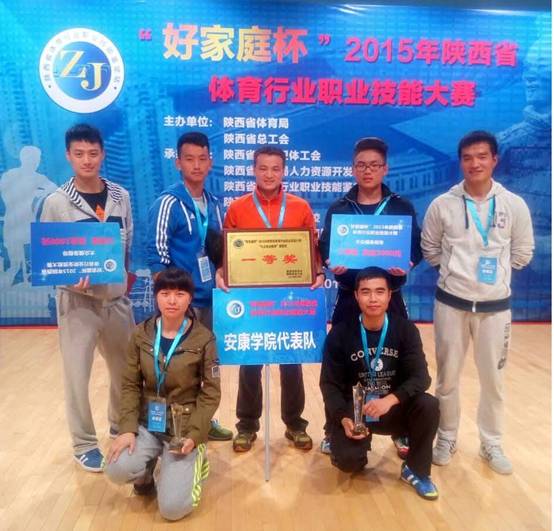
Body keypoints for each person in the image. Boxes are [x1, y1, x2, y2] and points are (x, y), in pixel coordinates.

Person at [421, 130, 534, 475]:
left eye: (482, 156)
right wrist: (457, 274)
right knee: (447, 380)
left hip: (495, 309)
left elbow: (522, 252)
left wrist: (494, 278)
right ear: (460, 162)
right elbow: (430, 249)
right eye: (468, 157)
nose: (475, 163)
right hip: (451, 306)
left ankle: (491, 442)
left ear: (494, 160)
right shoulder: (442, 204)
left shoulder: (514, 205)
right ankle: (446, 437)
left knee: (493, 381)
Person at [216, 146, 324, 452]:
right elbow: (228, 252)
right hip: (251, 298)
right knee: (250, 362)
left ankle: (295, 424)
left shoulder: (300, 207)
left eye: (275, 168)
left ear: (284, 171)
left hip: (289, 297)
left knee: (291, 361)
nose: (269, 174)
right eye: (263, 168)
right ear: (253, 169)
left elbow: (312, 250)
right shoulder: (237, 208)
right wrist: (223, 271)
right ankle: (247, 426)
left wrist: (318, 273)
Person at [319, 136, 422, 457]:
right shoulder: (339, 208)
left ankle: (400, 429)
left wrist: (408, 261)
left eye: (374, 165)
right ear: (353, 169)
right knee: (339, 366)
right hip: (349, 298)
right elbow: (324, 247)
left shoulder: (401, 206)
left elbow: (416, 247)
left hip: (389, 298)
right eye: (361, 165)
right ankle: (335, 426)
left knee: (396, 361)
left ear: (385, 169)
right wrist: (330, 262)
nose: (368, 170)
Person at [40, 124, 135, 471]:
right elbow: (49, 257)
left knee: (125, 372)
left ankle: (119, 425)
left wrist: (119, 279)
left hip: (116, 301)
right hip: (77, 303)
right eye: (79, 154)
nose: (87, 160)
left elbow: (126, 242)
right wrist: (71, 278)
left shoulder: (120, 196)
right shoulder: (56, 202)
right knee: (77, 377)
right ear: (68, 156)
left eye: (93, 153)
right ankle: (83, 443)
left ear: (103, 154)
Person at [105, 268, 220, 521]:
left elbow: (211, 392)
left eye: (180, 294)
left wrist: (195, 435)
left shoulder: (204, 339)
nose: (172, 300)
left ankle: (198, 461)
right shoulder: (141, 334)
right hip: (148, 422)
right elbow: (130, 384)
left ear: (190, 298)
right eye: (165, 293)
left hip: (183, 428)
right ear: (156, 297)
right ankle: (145, 476)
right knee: (115, 468)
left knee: (172, 509)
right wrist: (127, 429)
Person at [319, 267, 439, 500]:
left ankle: (416, 470)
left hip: (392, 408)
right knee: (348, 462)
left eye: (379, 291)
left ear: (389, 295)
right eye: (366, 292)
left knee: (429, 405)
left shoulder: (405, 330)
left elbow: (421, 377)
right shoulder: (340, 333)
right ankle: (353, 448)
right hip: (356, 412)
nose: (373, 298)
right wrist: (343, 418)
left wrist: (390, 400)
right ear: (356, 296)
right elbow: (329, 384)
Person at [147, 131, 231, 442]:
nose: (196, 165)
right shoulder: (168, 203)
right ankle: (163, 427)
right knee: (173, 367)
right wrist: (173, 302)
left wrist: (221, 271)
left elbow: (219, 251)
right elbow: (156, 256)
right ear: (178, 163)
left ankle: (203, 421)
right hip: (182, 303)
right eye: (189, 159)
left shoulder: (215, 204)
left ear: (210, 162)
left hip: (210, 300)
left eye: (202, 159)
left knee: (205, 365)